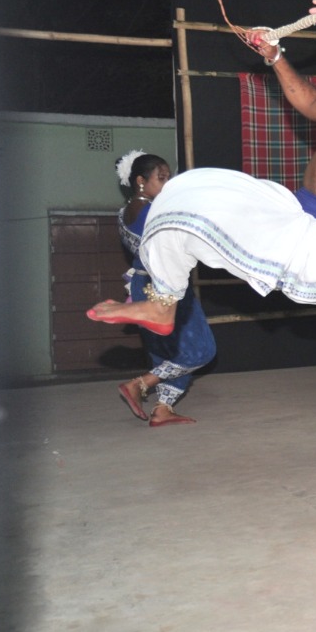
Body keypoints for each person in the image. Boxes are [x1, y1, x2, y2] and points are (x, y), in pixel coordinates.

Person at [91, 0, 316, 526]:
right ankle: (163, 301)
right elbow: (308, 105)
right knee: (194, 194)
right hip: (302, 222)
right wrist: (276, 55)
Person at [111, 151, 216, 427]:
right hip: (165, 286)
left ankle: (162, 409)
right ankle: (139, 384)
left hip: (141, 284)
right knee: (200, 351)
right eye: (162, 178)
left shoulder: (124, 214)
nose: (167, 184)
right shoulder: (155, 212)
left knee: (167, 352)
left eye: (169, 178)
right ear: (141, 181)